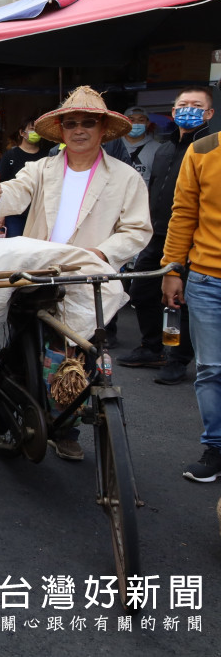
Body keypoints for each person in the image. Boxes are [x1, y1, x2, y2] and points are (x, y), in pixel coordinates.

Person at [0, 86, 152, 460]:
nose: (79, 130)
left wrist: (102, 251)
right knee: (18, 349)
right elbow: (15, 193)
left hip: (88, 278)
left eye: (87, 123)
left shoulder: (125, 177)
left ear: (102, 129)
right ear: (60, 129)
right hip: (38, 272)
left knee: (81, 355)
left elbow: (137, 230)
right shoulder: (41, 168)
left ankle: (65, 427)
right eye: (71, 123)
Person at [120, 86, 214, 383]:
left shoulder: (209, 149)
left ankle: (177, 358)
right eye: (183, 104)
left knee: (179, 301)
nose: (189, 109)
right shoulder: (165, 148)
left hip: (192, 238)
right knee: (141, 292)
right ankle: (153, 347)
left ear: (209, 113)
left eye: (197, 105)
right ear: (173, 113)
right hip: (157, 232)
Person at [161, 119, 221, 481]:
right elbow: (183, 213)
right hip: (207, 278)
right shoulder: (202, 150)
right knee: (211, 368)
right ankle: (216, 446)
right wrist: (172, 270)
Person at [0, 118, 46, 237]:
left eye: (38, 130)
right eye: (32, 129)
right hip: (14, 214)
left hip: (36, 213)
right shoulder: (11, 156)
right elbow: (1, 184)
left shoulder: (45, 157)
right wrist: (0, 213)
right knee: (14, 248)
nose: (36, 133)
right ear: (22, 133)